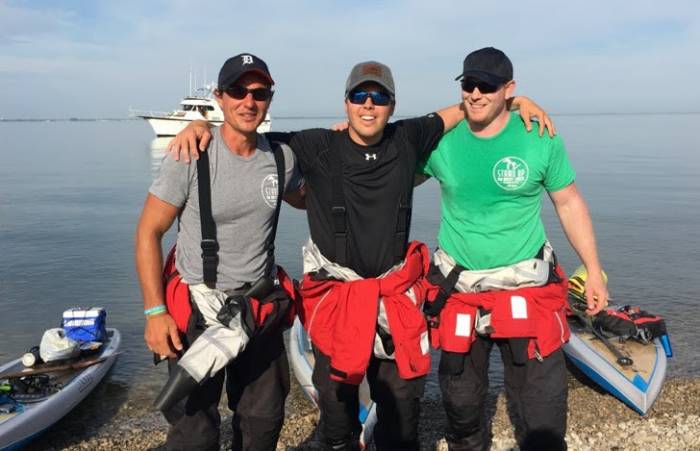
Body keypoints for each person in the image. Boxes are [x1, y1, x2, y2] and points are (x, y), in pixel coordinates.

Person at [168, 60, 553, 451]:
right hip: (337, 305)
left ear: (392, 104)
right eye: (359, 96)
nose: (369, 104)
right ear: (346, 103)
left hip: (393, 304)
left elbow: (459, 111)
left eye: (379, 97)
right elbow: (246, 136)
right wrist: (202, 127)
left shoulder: (408, 137)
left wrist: (515, 101)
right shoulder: (315, 146)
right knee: (335, 414)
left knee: (402, 414)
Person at [418, 47, 608, 451]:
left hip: (527, 288)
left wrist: (592, 269)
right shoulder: (441, 142)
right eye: (469, 84)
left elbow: (569, 202)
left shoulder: (538, 136)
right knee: (462, 406)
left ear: (509, 88)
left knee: (543, 412)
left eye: (487, 86)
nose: (476, 94)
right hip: (460, 290)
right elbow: (390, 163)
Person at [135, 53, 305, 451]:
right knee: (193, 431)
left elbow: (311, 198)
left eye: (259, 92)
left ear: (269, 99)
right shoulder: (191, 155)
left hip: (257, 307)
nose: (249, 101)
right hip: (198, 307)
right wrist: (155, 313)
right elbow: (148, 232)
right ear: (220, 97)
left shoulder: (281, 158)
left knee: (264, 422)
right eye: (237, 90)